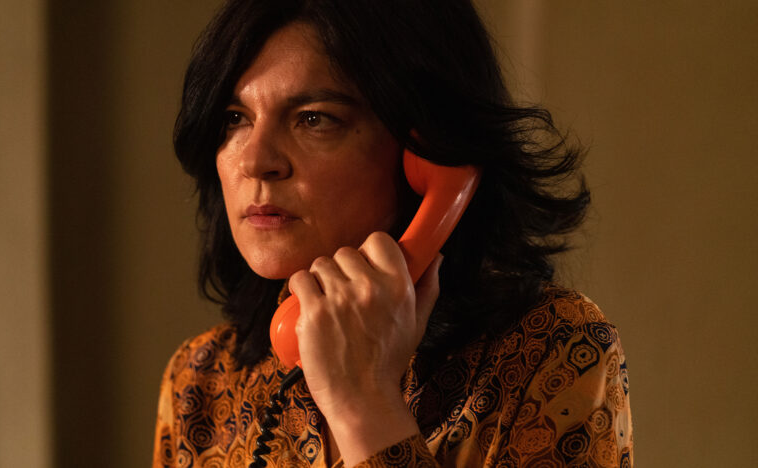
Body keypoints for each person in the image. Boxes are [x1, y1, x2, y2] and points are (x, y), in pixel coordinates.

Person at [152, 0, 633, 467]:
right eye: (235, 118)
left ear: (428, 152)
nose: (256, 160)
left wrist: (364, 403)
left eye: (314, 119)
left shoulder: (552, 348)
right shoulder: (199, 382)